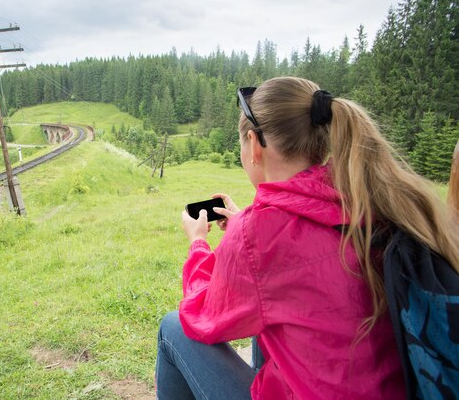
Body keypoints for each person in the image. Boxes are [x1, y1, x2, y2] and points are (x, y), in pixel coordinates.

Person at [155, 76, 459, 399]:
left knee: (172, 328)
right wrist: (242, 227)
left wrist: (198, 243)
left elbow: (201, 316)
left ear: (255, 145)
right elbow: (300, 255)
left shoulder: (259, 232)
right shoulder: (361, 194)